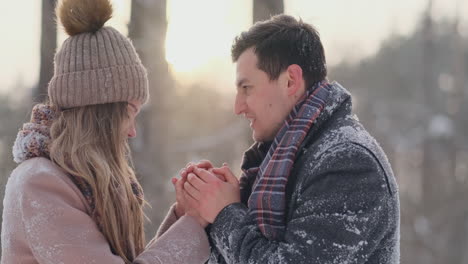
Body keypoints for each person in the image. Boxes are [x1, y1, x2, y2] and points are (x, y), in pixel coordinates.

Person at [176, 15, 400, 263]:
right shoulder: (283, 160)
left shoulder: (348, 163)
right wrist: (202, 214)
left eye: (246, 88)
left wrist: (225, 213)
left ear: (290, 81)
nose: (238, 107)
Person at [0, 0, 209, 263]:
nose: (132, 131)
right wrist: (194, 224)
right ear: (105, 113)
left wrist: (183, 216)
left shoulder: (85, 180)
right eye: (131, 112)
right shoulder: (39, 184)